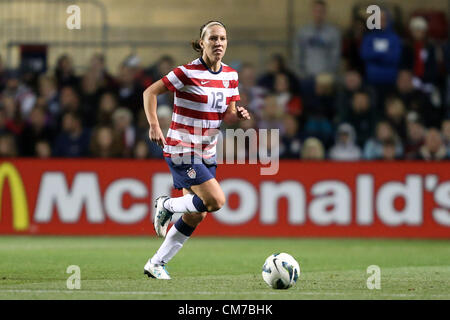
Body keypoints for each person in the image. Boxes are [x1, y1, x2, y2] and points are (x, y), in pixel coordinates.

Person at [142, 21, 250, 279]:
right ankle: (166, 203)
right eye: (213, 39)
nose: (219, 44)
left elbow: (228, 114)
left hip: (207, 151)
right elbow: (150, 92)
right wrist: (154, 124)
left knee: (197, 214)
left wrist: (239, 114)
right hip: (181, 147)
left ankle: (156, 263)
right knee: (216, 201)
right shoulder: (186, 72)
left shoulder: (231, 76)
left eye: (222, 38)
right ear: (202, 42)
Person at [293, 0, 341, 79]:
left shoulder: (333, 33)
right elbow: (297, 54)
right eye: (316, 11)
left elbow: (335, 56)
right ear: (312, 12)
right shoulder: (302, 32)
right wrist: (301, 74)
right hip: (306, 76)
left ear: (325, 13)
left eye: (321, 11)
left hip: (326, 78)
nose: (319, 14)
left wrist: (328, 75)